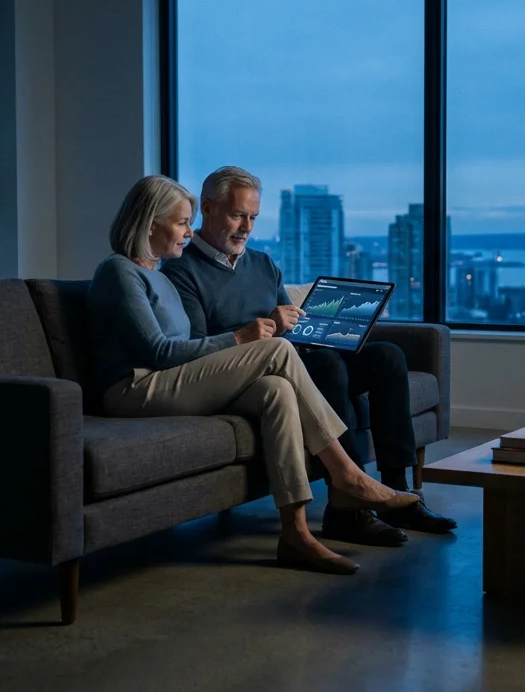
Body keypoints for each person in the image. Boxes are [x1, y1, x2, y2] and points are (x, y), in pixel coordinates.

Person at [88, 174, 421, 575]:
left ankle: (296, 534)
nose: (188, 231)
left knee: (276, 390)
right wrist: (243, 337)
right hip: (134, 388)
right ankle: (347, 475)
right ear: (150, 222)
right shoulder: (119, 272)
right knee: (278, 351)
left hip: (170, 379)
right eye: (181, 223)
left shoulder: (159, 272)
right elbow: (158, 353)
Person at [160, 166, 457, 547]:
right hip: (249, 373)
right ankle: (347, 509)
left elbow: (292, 323)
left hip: (297, 357)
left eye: (253, 217)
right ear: (207, 207)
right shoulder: (182, 271)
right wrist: (267, 326)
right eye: (238, 215)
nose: (246, 228)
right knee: (326, 366)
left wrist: (328, 331)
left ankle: (398, 493)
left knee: (387, 357)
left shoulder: (263, 263)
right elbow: (199, 348)